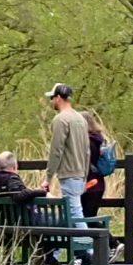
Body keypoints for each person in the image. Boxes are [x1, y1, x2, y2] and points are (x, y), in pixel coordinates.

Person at [43, 85, 90, 232]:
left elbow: (56, 150)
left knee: (75, 214)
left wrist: (48, 177)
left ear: (58, 97)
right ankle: (59, 251)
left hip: (68, 174)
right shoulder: (81, 119)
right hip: (80, 174)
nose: (51, 102)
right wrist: (85, 175)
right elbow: (87, 151)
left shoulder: (61, 120)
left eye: (52, 98)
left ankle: (90, 250)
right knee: (70, 214)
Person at [83, 113, 116, 214]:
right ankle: (103, 230)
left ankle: (104, 230)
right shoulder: (99, 139)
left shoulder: (87, 142)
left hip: (89, 184)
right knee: (90, 218)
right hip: (98, 183)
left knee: (86, 219)